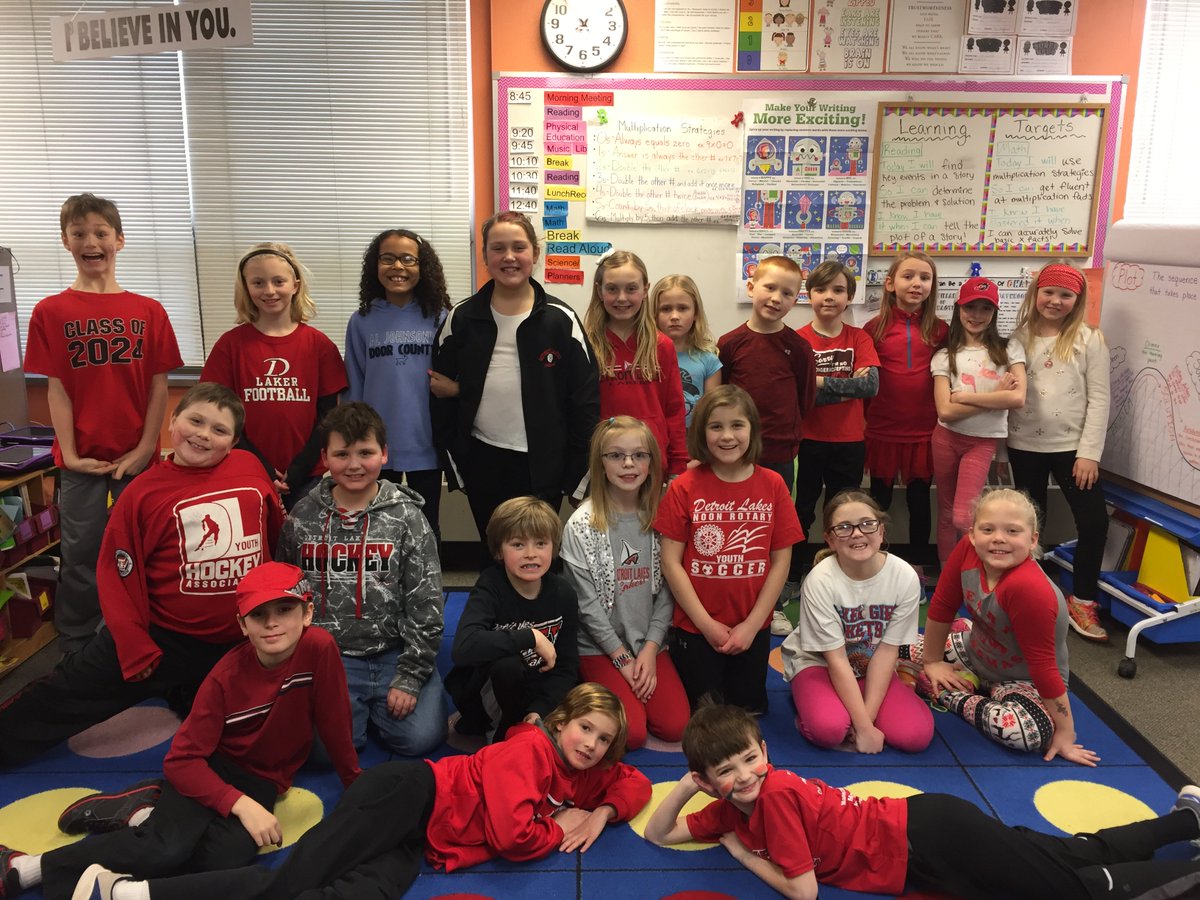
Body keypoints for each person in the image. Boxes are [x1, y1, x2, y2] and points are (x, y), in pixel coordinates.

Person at [34, 684, 653, 900]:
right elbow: (516, 839)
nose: (593, 747)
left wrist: (596, 810)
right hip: (407, 796)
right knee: (289, 878)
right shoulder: (531, 749)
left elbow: (636, 781)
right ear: (560, 723)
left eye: (603, 740)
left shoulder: (587, 771)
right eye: (585, 730)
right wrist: (558, 826)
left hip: (424, 840)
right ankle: (128, 890)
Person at [0, 562, 361, 900]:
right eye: (259, 614)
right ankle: (27, 867)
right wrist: (241, 805)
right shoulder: (224, 678)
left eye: (285, 610)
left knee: (226, 858)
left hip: (261, 778)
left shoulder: (320, 649)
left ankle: (141, 811)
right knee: (165, 847)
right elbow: (183, 760)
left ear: (308, 613)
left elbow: (334, 719)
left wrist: (354, 783)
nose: (272, 624)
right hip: (207, 767)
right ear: (242, 624)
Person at [646, 702, 1200, 900]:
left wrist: (745, 856)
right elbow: (659, 834)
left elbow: (803, 890)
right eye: (726, 772)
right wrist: (686, 787)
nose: (745, 777)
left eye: (750, 759)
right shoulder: (729, 803)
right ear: (708, 779)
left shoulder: (776, 796)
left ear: (765, 750)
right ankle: (1187, 820)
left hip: (931, 839)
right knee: (1073, 854)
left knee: (1070, 890)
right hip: (928, 835)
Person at [0, 383, 283, 767]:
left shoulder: (249, 468)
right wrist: (134, 645)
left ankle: (186, 692)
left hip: (235, 642)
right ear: (173, 421)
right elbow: (116, 576)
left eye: (219, 430)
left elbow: (274, 534)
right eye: (195, 420)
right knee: (63, 696)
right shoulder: (142, 493)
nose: (203, 434)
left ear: (234, 443)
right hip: (161, 638)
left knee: (255, 740)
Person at [23, 193, 183, 652]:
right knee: (80, 552)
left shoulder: (149, 311)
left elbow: (159, 388)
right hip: (81, 458)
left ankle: (140, 628)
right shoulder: (51, 311)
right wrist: (70, 454)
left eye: (100, 233)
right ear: (65, 241)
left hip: (140, 456)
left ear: (120, 240)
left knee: (143, 549)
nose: (90, 242)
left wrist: (144, 448)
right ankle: (75, 639)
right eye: (79, 234)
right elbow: (58, 390)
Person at [276, 402, 447, 756]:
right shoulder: (302, 517)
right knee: (324, 751)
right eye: (342, 454)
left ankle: (374, 707)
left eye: (365, 452)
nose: (354, 464)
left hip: (394, 652)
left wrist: (411, 676)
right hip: (329, 657)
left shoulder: (408, 518)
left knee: (421, 739)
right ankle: (358, 713)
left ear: (384, 454)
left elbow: (426, 602)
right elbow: (286, 593)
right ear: (324, 457)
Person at [431, 211, 599, 545]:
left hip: (544, 464)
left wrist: (577, 473)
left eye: (519, 247)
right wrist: (457, 462)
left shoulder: (560, 320)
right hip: (482, 458)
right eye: (498, 248)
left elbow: (585, 401)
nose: (509, 257)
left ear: (535, 254)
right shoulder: (462, 318)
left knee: (537, 554)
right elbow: (438, 393)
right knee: (495, 553)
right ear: (485, 256)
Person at [902, 488, 1100, 764]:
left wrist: (1066, 732)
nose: (998, 539)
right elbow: (942, 606)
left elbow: (1044, 667)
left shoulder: (1029, 589)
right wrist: (933, 661)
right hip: (976, 652)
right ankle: (952, 676)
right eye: (988, 529)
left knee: (1031, 733)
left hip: (1023, 680)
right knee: (893, 649)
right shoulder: (967, 551)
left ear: (1032, 540)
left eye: (1012, 531)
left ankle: (951, 695)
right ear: (972, 534)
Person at [654, 386, 804, 714]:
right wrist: (705, 623)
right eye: (715, 426)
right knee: (702, 717)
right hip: (696, 627)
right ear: (701, 432)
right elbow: (671, 562)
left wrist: (752, 624)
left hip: (752, 626)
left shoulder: (773, 484)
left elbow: (781, 561)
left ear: (752, 429)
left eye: (737, 425)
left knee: (747, 712)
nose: (727, 436)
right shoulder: (684, 486)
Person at [561, 417, 689, 749]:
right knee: (629, 735)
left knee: (675, 726)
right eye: (616, 455)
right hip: (601, 646)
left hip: (649, 642)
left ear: (652, 462)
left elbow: (670, 592)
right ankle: (584, 681)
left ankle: (627, 679)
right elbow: (586, 606)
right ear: (600, 464)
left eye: (639, 455)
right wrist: (621, 659)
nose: (629, 464)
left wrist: (649, 648)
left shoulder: (663, 517)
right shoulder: (581, 525)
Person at [780, 490, 932, 753]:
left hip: (872, 663)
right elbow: (835, 658)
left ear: (881, 531)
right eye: (844, 528)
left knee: (914, 737)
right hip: (820, 663)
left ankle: (860, 705)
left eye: (867, 524)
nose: (857, 533)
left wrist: (867, 721)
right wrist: (862, 728)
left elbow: (886, 652)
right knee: (828, 730)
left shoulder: (904, 576)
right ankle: (812, 702)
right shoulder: (820, 581)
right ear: (829, 539)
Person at [201, 242, 347, 510]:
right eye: (258, 283)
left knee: (300, 545)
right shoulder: (230, 346)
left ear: (295, 285)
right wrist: (261, 466)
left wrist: (300, 468)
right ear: (246, 287)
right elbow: (219, 414)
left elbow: (328, 416)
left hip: (306, 474)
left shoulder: (320, 346)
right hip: (244, 466)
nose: (269, 291)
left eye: (278, 281)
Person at [1009, 262, 1111, 641]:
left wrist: (1090, 453)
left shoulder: (1089, 339)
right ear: (1036, 294)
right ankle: (1031, 596)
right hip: (1023, 445)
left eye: (1065, 295)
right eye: (1049, 292)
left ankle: (1082, 600)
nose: (1055, 301)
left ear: (1077, 300)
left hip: (1073, 450)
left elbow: (1100, 399)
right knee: (1030, 525)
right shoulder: (1017, 339)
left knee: (1094, 523)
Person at [717, 255, 816, 636]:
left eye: (787, 293)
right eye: (770, 287)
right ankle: (730, 600)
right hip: (731, 455)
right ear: (751, 287)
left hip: (778, 457)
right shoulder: (730, 344)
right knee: (733, 530)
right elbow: (720, 400)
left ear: (795, 301)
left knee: (770, 533)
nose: (776, 297)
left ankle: (768, 606)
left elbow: (805, 400)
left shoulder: (798, 348)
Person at [446, 496, 580, 744]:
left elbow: (567, 665)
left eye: (541, 543)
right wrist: (530, 637)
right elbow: (463, 647)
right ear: (499, 550)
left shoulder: (563, 593)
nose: (531, 554)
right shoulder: (491, 586)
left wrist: (540, 710)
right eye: (518, 545)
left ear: (554, 547)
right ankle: (500, 735)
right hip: (491, 694)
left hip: (537, 692)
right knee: (507, 666)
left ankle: (528, 725)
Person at [345, 229, 451, 541]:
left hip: (426, 443)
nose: (397, 267)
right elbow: (355, 382)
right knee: (379, 527)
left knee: (427, 526)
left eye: (408, 259)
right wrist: (356, 441)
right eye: (387, 259)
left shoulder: (441, 317)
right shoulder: (362, 320)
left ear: (423, 266)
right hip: (377, 446)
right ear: (375, 266)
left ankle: (428, 589)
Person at [791, 260, 879, 580]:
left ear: (850, 296)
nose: (829, 296)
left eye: (838, 290)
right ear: (809, 295)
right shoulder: (796, 339)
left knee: (843, 515)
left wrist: (817, 383)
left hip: (849, 442)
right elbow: (798, 397)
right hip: (806, 442)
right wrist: (846, 389)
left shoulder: (859, 338)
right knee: (800, 513)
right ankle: (793, 576)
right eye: (821, 289)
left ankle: (840, 574)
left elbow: (869, 386)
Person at [931, 278, 1027, 564]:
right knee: (947, 513)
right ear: (958, 309)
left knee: (964, 515)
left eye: (986, 308)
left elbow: (1017, 398)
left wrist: (964, 397)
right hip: (946, 438)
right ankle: (949, 575)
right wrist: (995, 396)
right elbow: (945, 412)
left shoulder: (1010, 349)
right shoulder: (944, 354)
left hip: (982, 442)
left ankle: (970, 572)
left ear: (995, 313)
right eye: (970, 307)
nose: (977, 315)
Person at [864, 251, 947, 574]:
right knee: (878, 502)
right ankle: (873, 562)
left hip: (924, 433)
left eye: (924, 278)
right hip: (881, 430)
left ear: (932, 286)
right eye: (908, 276)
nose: (917, 283)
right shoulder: (873, 329)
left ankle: (917, 566)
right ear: (889, 284)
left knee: (919, 502)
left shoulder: (941, 331)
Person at [584, 251, 688, 477]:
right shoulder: (586, 344)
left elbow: (674, 410)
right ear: (599, 291)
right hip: (603, 463)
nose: (622, 298)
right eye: (612, 289)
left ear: (645, 290)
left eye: (631, 289)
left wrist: (678, 467)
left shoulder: (662, 345)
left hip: (651, 460)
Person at [653, 274, 721, 429]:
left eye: (683, 308)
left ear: (696, 313)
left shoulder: (709, 360)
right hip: (655, 438)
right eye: (666, 309)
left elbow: (711, 413)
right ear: (654, 315)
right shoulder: (644, 358)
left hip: (694, 442)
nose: (675, 316)